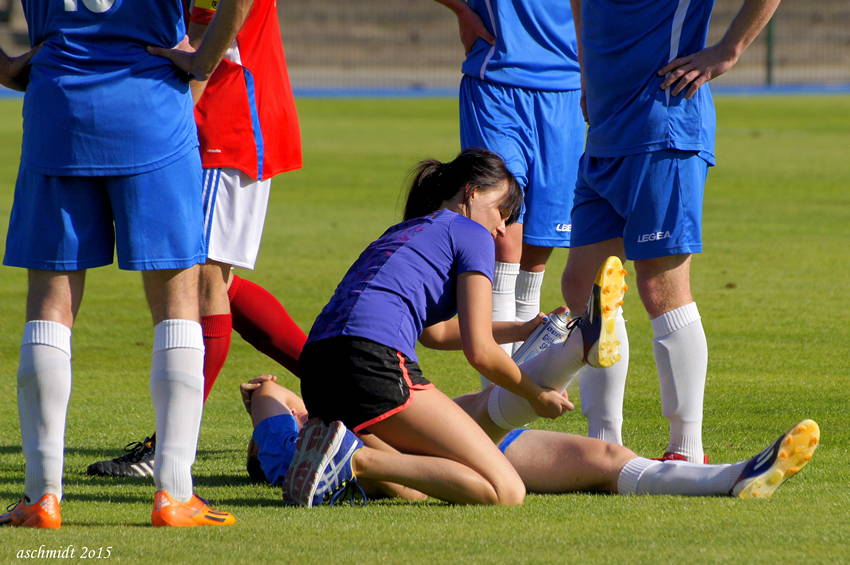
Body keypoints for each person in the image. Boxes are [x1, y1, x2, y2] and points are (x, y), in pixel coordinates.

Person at [0, 0, 253, 529]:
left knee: (50, 305)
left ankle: (41, 496)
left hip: (60, 104)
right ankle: (174, 495)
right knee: (177, 303)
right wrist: (204, 60)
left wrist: (3, 63)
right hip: (151, 105)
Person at [277, 148, 625, 507]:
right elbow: (482, 353)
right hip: (371, 364)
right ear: (472, 193)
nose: (501, 227)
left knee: (413, 485)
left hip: (318, 372)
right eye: (501, 212)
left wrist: (521, 329)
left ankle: (339, 452)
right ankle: (358, 459)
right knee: (505, 491)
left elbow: (437, 333)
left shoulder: (406, 230)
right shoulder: (472, 233)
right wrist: (536, 395)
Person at [86, 0, 306, 479]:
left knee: (202, 279)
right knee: (214, 283)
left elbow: (211, 25)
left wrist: (164, 116)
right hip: (223, 120)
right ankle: (336, 378)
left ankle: (168, 447)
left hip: (226, 119)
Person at [561, 0, 782, 462]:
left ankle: (686, 447)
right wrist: (587, 75)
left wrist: (729, 49)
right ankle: (604, 446)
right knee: (584, 286)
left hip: (664, 124)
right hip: (604, 127)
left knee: (660, 286)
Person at [240, 375, 820, 501]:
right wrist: (266, 396)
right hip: (395, 457)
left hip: (421, 430)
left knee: (603, 456)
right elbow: (268, 393)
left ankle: (732, 477)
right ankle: (562, 354)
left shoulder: (309, 421)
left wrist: (292, 402)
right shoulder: (285, 456)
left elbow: (283, 399)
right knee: (476, 429)